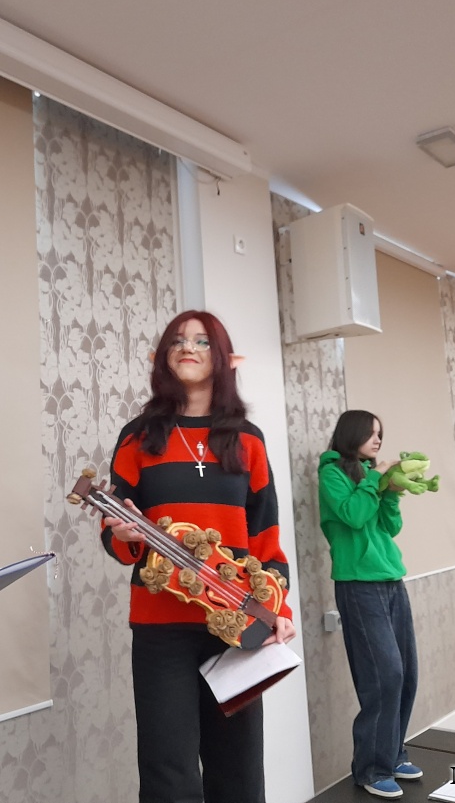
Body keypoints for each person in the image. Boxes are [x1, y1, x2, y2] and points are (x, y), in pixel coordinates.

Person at [102, 310, 295, 803]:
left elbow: (266, 538)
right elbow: (116, 539)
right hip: (160, 628)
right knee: (169, 774)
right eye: (178, 341)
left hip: (235, 624)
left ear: (223, 358)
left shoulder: (248, 439)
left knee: (239, 770)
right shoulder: (138, 436)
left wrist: (278, 609)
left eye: (203, 341)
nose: (188, 347)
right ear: (164, 357)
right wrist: (122, 532)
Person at [317, 410, 421, 800]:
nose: (378, 440)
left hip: (391, 581)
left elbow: (390, 528)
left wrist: (390, 494)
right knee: (384, 675)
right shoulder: (331, 474)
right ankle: (371, 769)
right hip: (358, 586)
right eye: (371, 433)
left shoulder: (368, 474)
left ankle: (393, 755)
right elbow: (354, 516)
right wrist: (376, 481)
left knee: (406, 674)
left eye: (381, 434)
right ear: (352, 433)